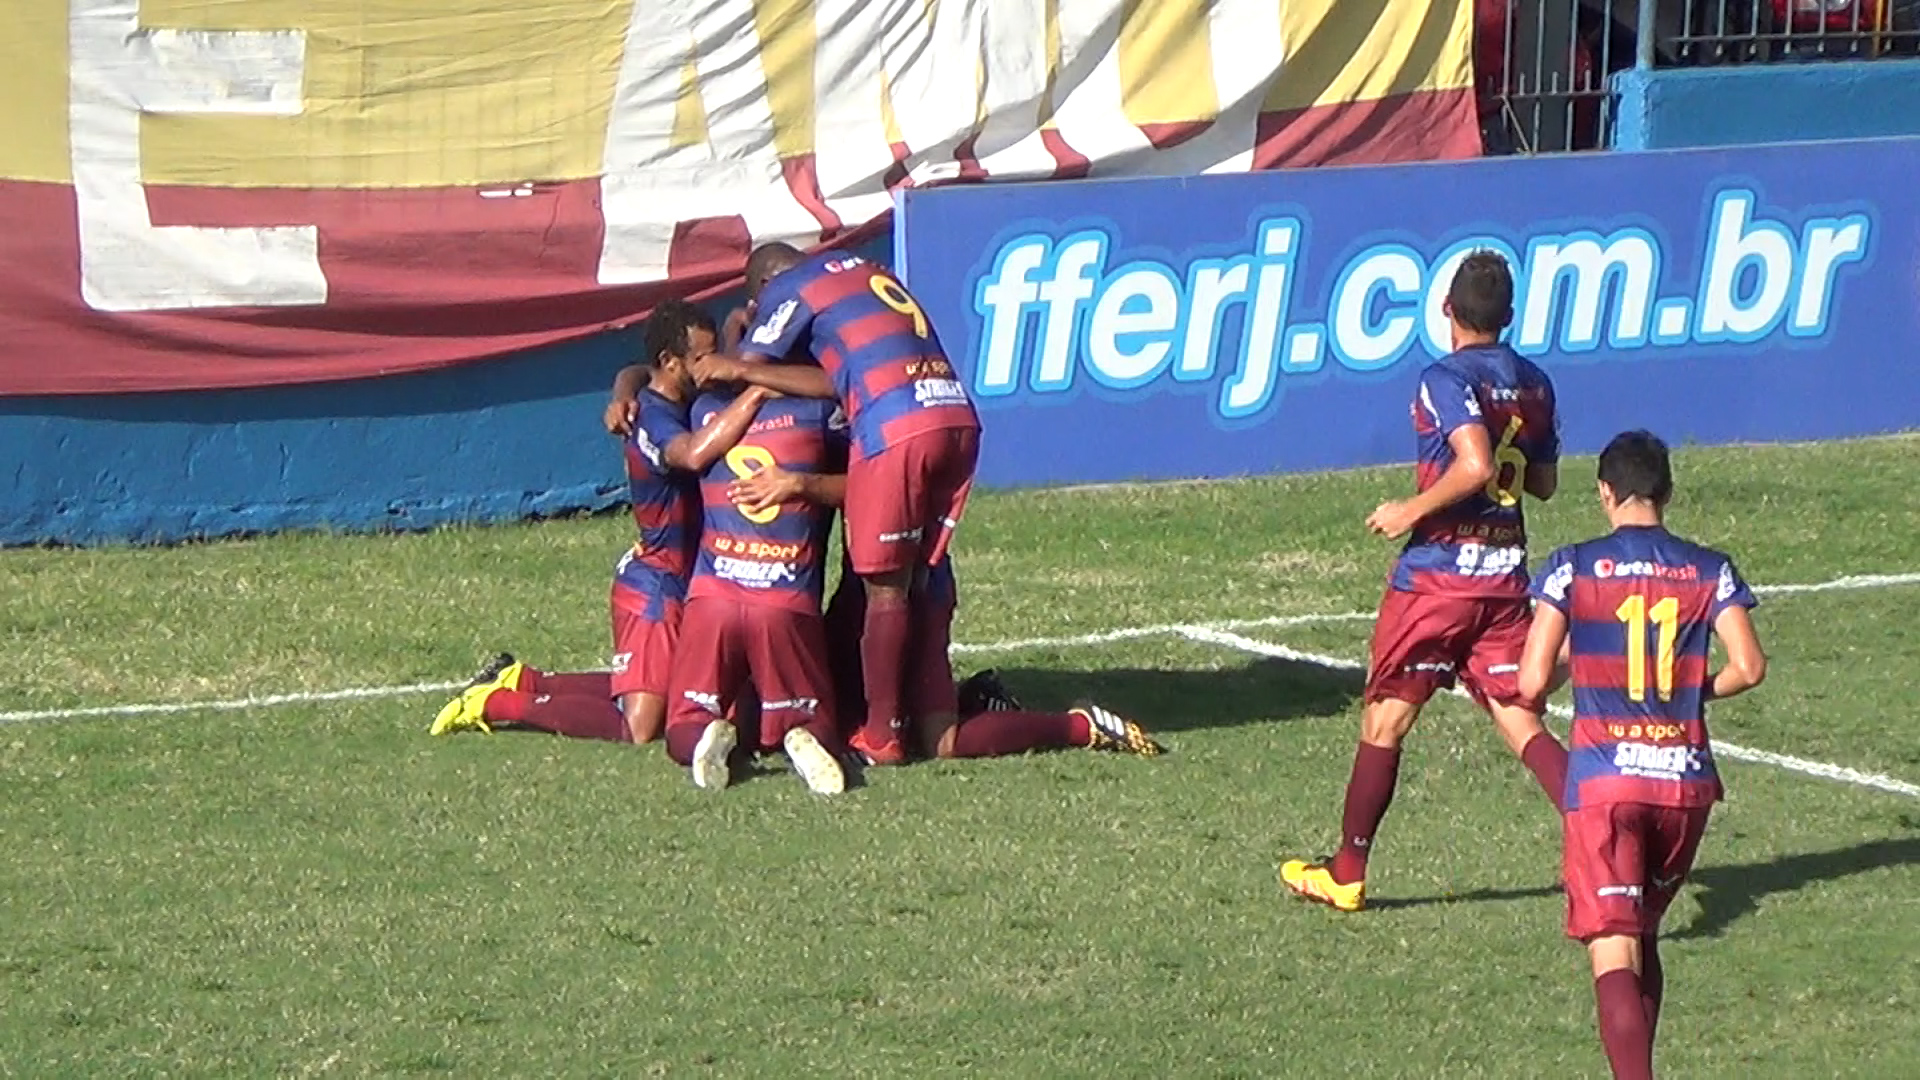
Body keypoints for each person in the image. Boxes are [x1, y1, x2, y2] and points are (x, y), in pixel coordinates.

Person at [1281, 251, 1570, 912]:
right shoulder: (1535, 382)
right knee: (1520, 716)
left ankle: (1347, 870)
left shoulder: (1443, 379)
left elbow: (1472, 464)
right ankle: (1601, 838)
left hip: (1439, 579)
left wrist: (1407, 510)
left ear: (1446, 311)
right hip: (1502, 577)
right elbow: (1546, 485)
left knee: (1386, 719)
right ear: (1511, 316)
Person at [1518, 430, 1766, 1080]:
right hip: (1684, 787)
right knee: (1645, 933)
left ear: (1605, 492)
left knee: (1612, 948)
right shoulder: (1710, 568)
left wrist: (1570, 670)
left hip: (1605, 784)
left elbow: (1530, 681)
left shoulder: (1572, 565)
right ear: (1668, 493)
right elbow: (1750, 666)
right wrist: (1696, 689)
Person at [687, 243, 982, 768]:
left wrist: (738, 337)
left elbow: (739, 369)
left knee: (883, 585)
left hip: (894, 427)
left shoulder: (785, 291)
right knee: (909, 575)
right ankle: (903, 708)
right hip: (952, 414)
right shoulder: (860, 271)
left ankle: (881, 735)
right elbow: (833, 380)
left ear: (761, 297)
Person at [430, 302, 768, 743]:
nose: (713, 367)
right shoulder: (656, 419)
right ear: (670, 362)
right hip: (655, 586)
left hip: (687, 578)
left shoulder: (665, 393)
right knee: (640, 726)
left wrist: (622, 388)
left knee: (682, 697)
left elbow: (636, 371)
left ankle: (525, 679)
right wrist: (757, 392)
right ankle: (493, 703)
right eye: (702, 358)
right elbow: (693, 454)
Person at [728, 468, 1163, 760]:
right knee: (821, 724)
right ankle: (973, 696)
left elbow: (885, 490)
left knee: (942, 744)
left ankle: (1080, 726)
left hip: (917, 597)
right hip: (858, 602)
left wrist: (802, 484)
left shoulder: (891, 417)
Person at [661, 385, 850, 794]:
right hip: (783, 598)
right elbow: (867, 485)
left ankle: (704, 733)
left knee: (682, 724)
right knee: (812, 719)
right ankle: (802, 733)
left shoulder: (706, 411)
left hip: (714, 596)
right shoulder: (818, 411)